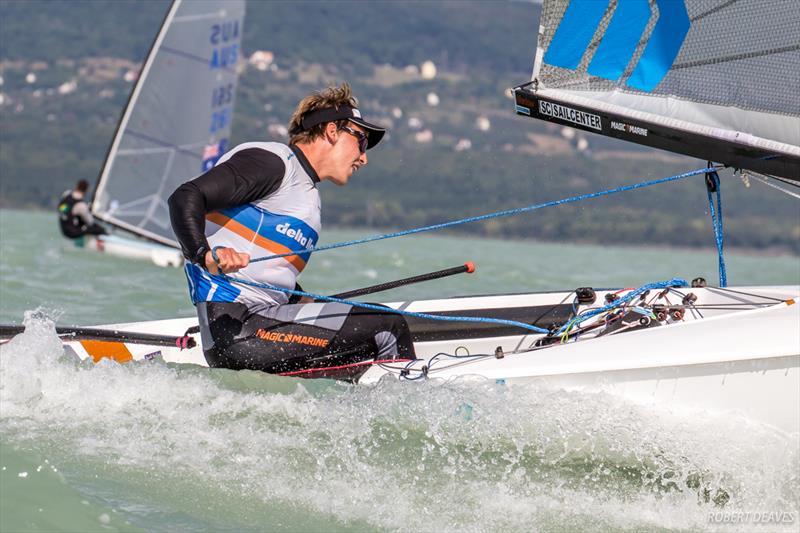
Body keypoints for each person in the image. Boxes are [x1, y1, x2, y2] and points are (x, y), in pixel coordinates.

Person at [168, 83, 416, 379]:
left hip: (259, 329)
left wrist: (303, 301)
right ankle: (413, 406)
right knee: (388, 325)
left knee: (359, 350)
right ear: (332, 131)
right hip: (236, 329)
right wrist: (205, 255)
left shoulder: (307, 197)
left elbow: (270, 274)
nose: (364, 157)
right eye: (361, 141)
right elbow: (185, 197)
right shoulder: (274, 162)